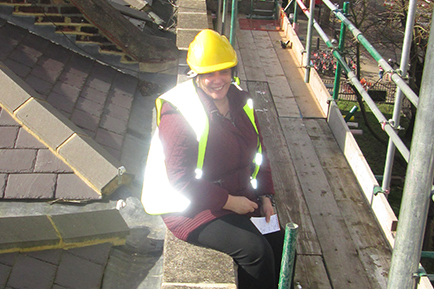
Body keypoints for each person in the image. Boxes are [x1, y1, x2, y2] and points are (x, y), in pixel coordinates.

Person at [142, 29, 284, 289]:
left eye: (223, 71)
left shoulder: (240, 100)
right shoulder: (179, 112)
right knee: (255, 251)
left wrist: (265, 195)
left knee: (278, 240)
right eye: (208, 73)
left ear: (232, 71)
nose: (217, 80)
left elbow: (259, 152)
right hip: (189, 206)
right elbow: (180, 179)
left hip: (233, 192)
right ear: (196, 75)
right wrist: (229, 202)